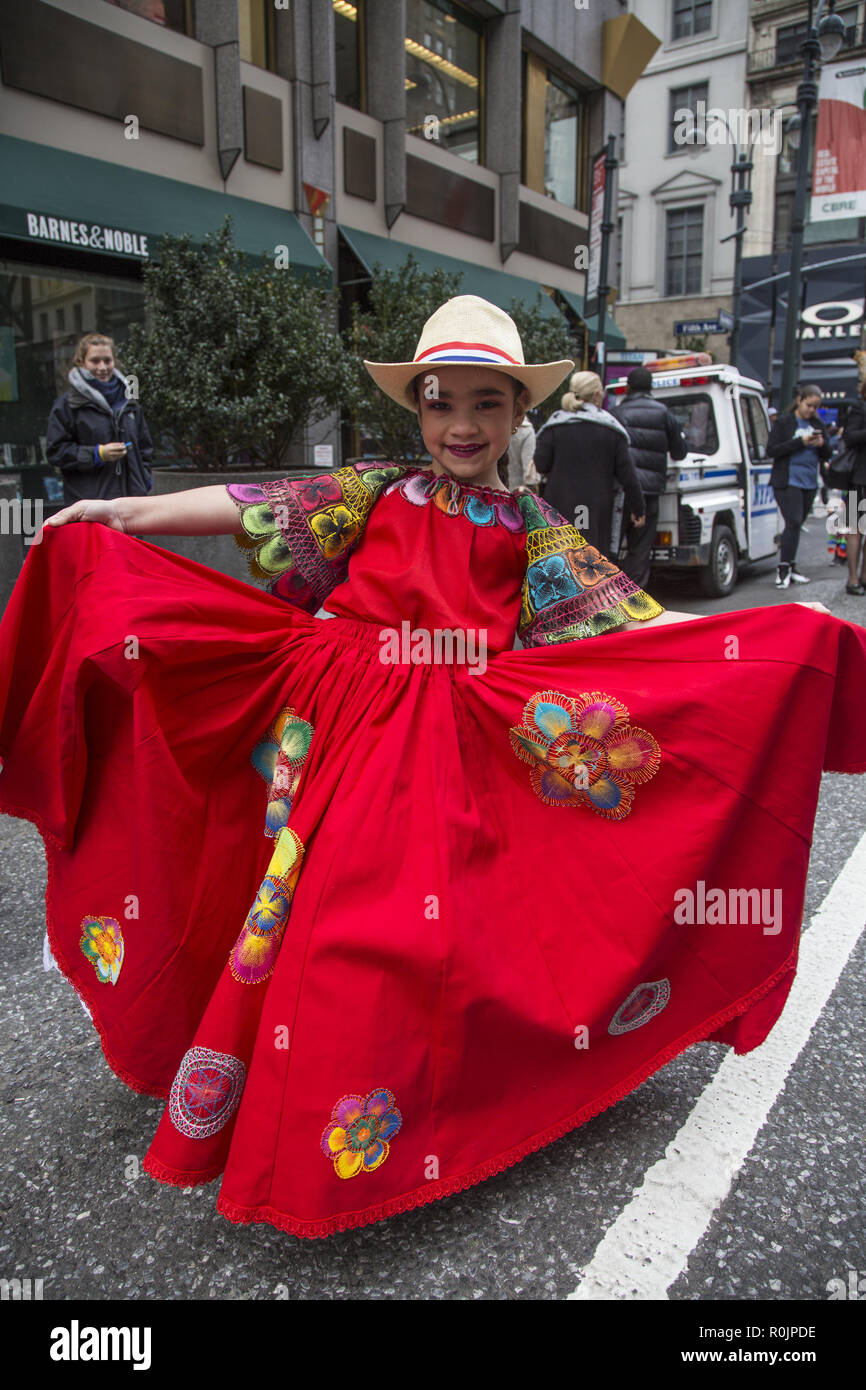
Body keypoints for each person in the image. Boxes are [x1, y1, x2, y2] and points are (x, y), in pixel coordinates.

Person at [0, 295, 858, 1245]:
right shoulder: (372, 489)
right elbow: (256, 509)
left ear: (517, 415)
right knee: (282, 904)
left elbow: (636, 625)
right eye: (442, 402)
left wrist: (778, 642)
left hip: (445, 742)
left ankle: (341, 1130)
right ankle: (278, 1091)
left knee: (375, 934)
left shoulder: (533, 529)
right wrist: (123, 510)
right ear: (416, 405)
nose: (461, 424)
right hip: (330, 715)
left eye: (487, 404)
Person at [533, 370, 645, 556]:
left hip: (559, 504)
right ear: (596, 395)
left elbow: (540, 464)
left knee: (561, 559)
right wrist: (638, 508)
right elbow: (628, 476)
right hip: (594, 509)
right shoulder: (611, 430)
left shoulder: (555, 426)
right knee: (590, 562)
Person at [46, 332, 154, 508]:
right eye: (95, 361)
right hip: (90, 505)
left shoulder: (129, 402)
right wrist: (97, 454)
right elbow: (56, 452)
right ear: (81, 362)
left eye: (107, 360)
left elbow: (145, 449)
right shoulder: (67, 405)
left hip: (132, 504)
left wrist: (144, 480)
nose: (102, 367)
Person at [611, 365, 688, 588]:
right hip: (650, 492)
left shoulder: (615, 414)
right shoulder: (664, 413)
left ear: (628, 388)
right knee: (640, 549)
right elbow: (679, 451)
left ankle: (609, 596)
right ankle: (635, 597)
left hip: (620, 491)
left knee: (612, 547)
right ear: (651, 387)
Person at [767, 383, 831, 589]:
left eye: (816, 407)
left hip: (809, 481)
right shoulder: (785, 422)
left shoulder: (817, 423)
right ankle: (783, 568)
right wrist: (800, 442)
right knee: (793, 521)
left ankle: (791, 566)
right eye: (809, 405)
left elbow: (828, 453)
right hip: (788, 480)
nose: (812, 410)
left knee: (795, 525)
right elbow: (772, 450)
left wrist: (821, 445)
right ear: (800, 400)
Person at [837, 381, 866, 594]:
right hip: (860, 477)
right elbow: (849, 436)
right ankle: (852, 579)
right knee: (856, 529)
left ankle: (864, 577)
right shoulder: (859, 407)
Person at [503, 415, 537, 492]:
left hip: (494, 489)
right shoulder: (527, 430)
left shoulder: (495, 428)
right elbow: (528, 466)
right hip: (519, 492)